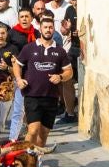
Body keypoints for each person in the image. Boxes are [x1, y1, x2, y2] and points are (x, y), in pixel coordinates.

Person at [17, 11, 75, 150]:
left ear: (53, 29)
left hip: (51, 97)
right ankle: (25, 161)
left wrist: (60, 77)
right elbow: (17, 65)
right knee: (32, 131)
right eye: (45, 27)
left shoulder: (60, 51)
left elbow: (69, 72)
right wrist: (19, 79)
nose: (48, 30)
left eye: (50, 27)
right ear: (40, 29)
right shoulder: (29, 48)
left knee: (43, 134)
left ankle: (37, 164)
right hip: (32, 95)